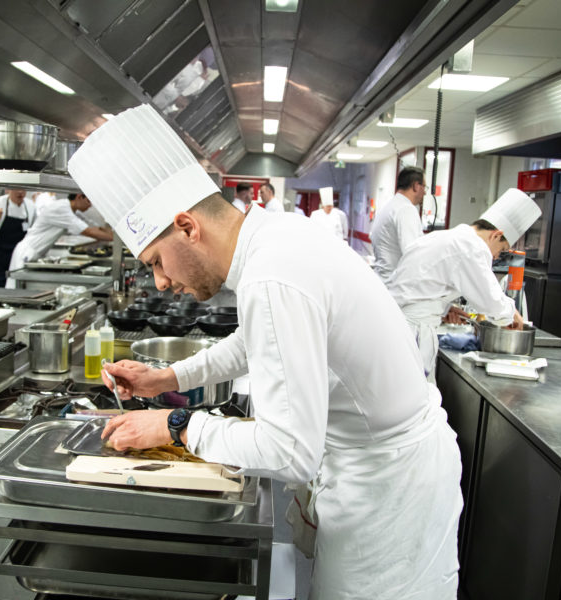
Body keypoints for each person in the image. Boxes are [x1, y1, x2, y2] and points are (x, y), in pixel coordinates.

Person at [68, 104, 463, 600]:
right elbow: (258, 340)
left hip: (390, 496)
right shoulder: (276, 237)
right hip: (386, 470)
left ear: (188, 226)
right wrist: (165, 380)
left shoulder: (271, 273)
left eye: (156, 261)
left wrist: (177, 425)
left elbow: (290, 452)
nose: (161, 281)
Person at [388, 188, 542, 379]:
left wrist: (445, 310)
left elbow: (420, 288)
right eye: (501, 250)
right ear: (496, 234)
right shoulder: (472, 246)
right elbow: (492, 303)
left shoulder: (448, 236)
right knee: (413, 399)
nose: (495, 257)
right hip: (412, 332)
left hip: (397, 325)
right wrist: (513, 315)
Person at [7, 193, 113, 282]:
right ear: (79, 197)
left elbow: (93, 227)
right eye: (89, 201)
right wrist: (116, 240)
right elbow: (89, 232)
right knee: (17, 287)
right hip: (27, 252)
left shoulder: (72, 210)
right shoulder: (61, 208)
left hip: (36, 253)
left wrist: (114, 234)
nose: (90, 206)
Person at [370, 166, 426, 285]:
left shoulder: (390, 206)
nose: (425, 192)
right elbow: (412, 254)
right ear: (416, 186)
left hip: (383, 281)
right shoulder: (406, 209)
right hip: (395, 285)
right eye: (424, 187)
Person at [0, 189, 36, 288]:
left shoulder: (30, 206)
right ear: (8, 189)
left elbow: (33, 233)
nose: (20, 192)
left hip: (18, 264)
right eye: (16, 188)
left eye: (23, 189)